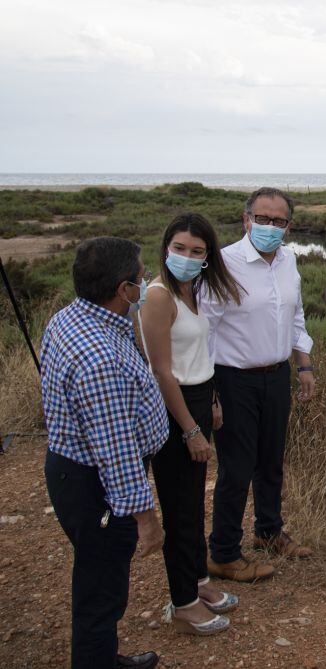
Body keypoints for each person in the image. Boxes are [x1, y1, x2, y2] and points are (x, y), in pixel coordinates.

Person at [40, 237, 167, 669]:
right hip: (92, 483)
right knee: (102, 588)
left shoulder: (69, 318)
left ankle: (103, 657)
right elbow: (117, 453)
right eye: (140, 275)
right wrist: (146, 521)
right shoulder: (101, 358)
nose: (145, 281)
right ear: (124, 290)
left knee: (96, 576)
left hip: (68, 467)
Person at [139, 213, 245, 634]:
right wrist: (190, 429)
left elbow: (199, 352)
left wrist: (213, 400)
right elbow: (163, 372)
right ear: (166, 247)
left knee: (193, 504)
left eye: (197, 251)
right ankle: (183, 601)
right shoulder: (159, 295)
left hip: (199, 398)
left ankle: (199, 581)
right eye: (179, 248)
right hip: (173, 408)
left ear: (207, 257)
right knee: (180, 507)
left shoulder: (192, 289)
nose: (187, 256)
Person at [204, 187, 316, 582]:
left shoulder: (288, 260)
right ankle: (223, 552)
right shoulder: (223, 263)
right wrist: (211, 392)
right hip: (233, 379)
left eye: (279, 221)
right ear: (246, 218)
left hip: (276, 376)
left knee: (271, 461)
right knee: (236, 468)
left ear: (289, 226)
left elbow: (296, 314)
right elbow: (205, 328)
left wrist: (304, 365)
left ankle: (269, 532)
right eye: (262, 218)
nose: (270, 227)